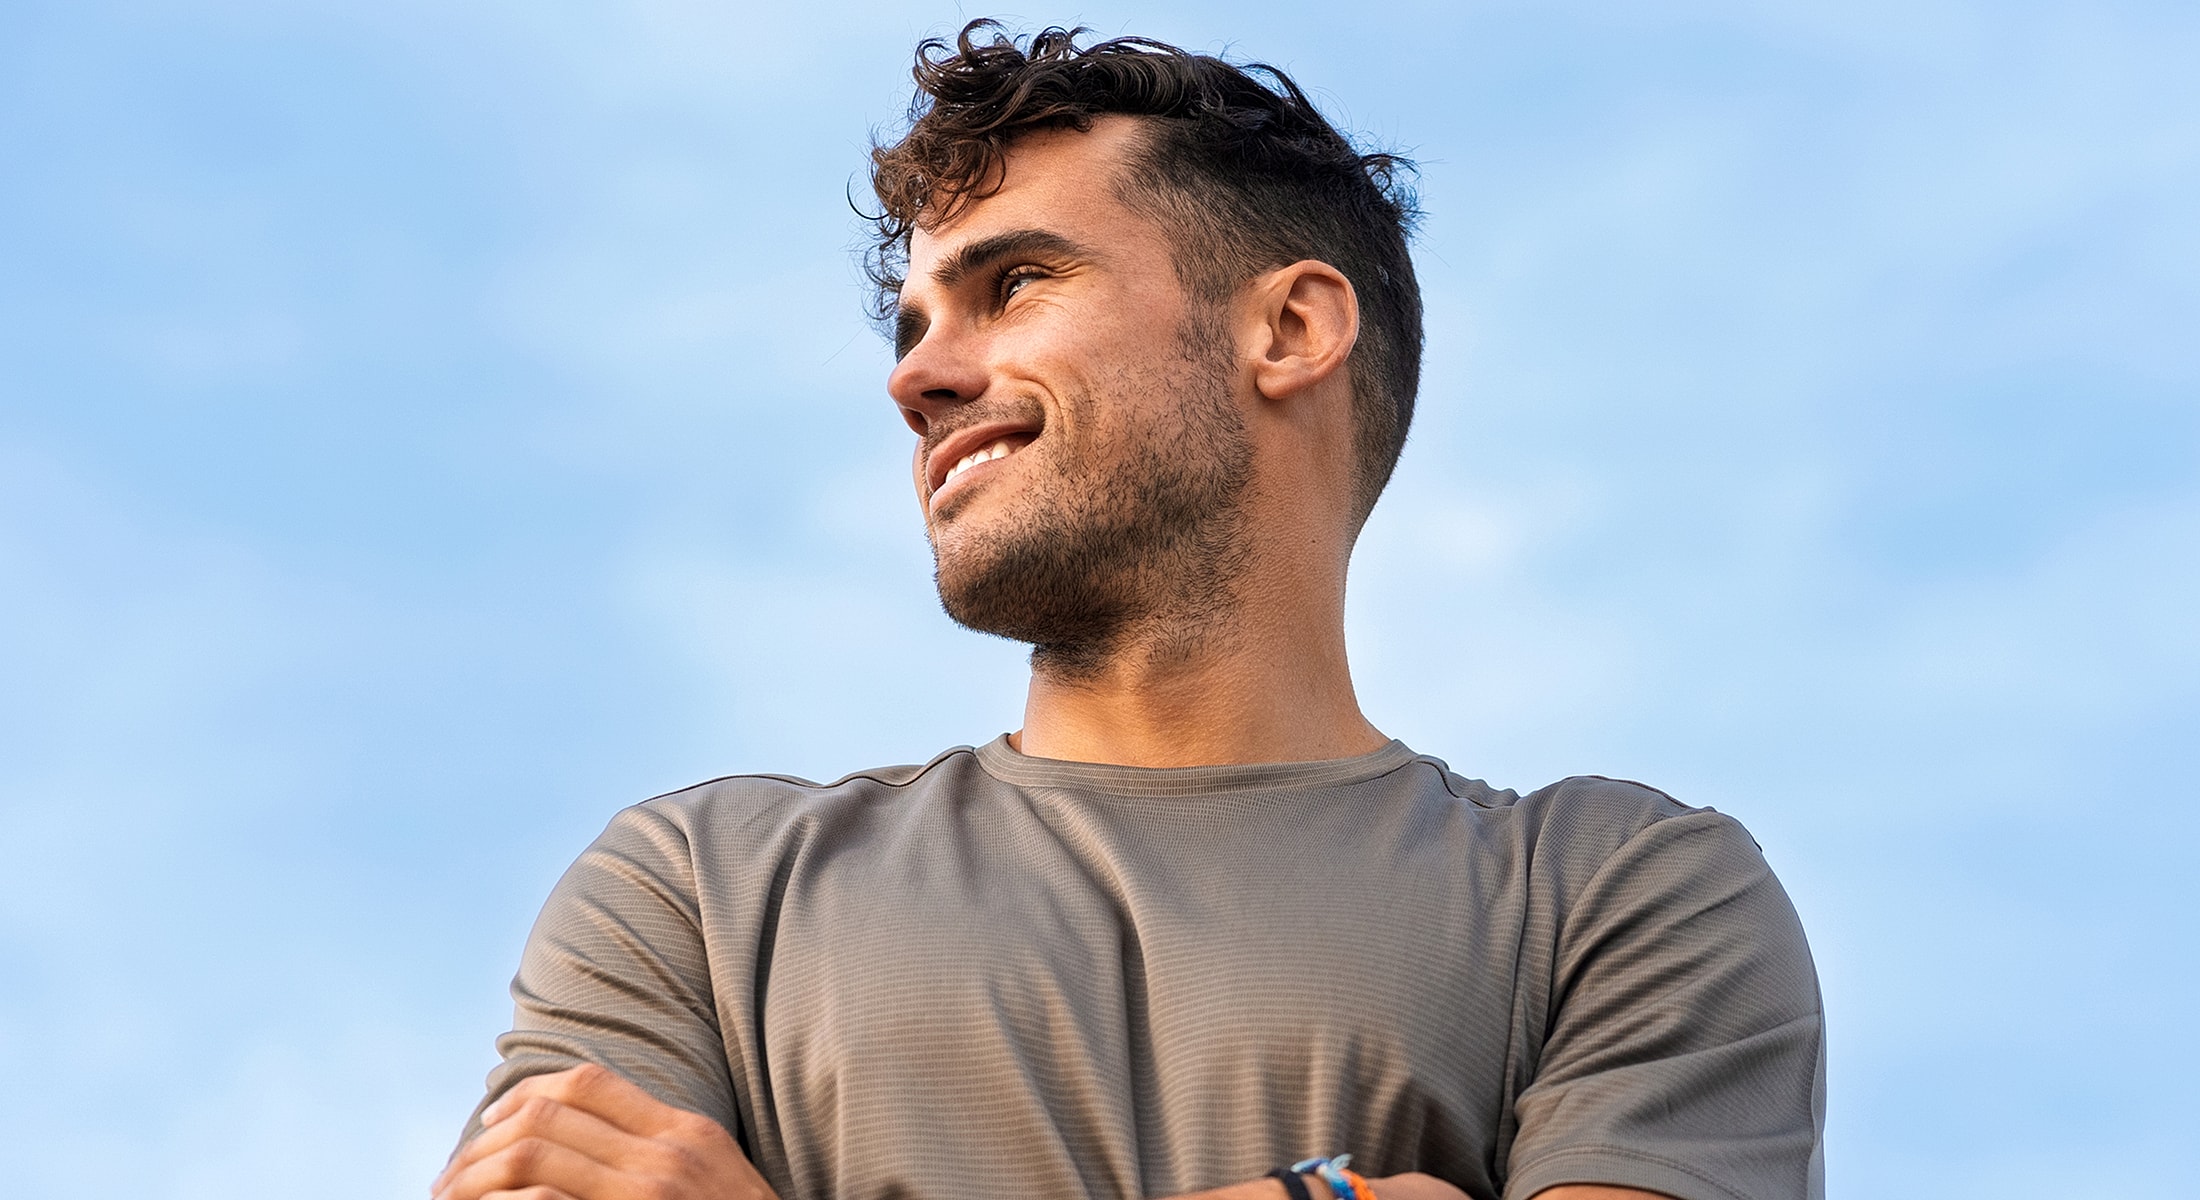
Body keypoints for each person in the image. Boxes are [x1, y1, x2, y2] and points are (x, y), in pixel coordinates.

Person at [432, 22, 1825, 1200]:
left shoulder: (1618, 900)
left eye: (1013, 284)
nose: (917, 378)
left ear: (1288, 330)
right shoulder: (701, 894)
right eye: (912, 324)